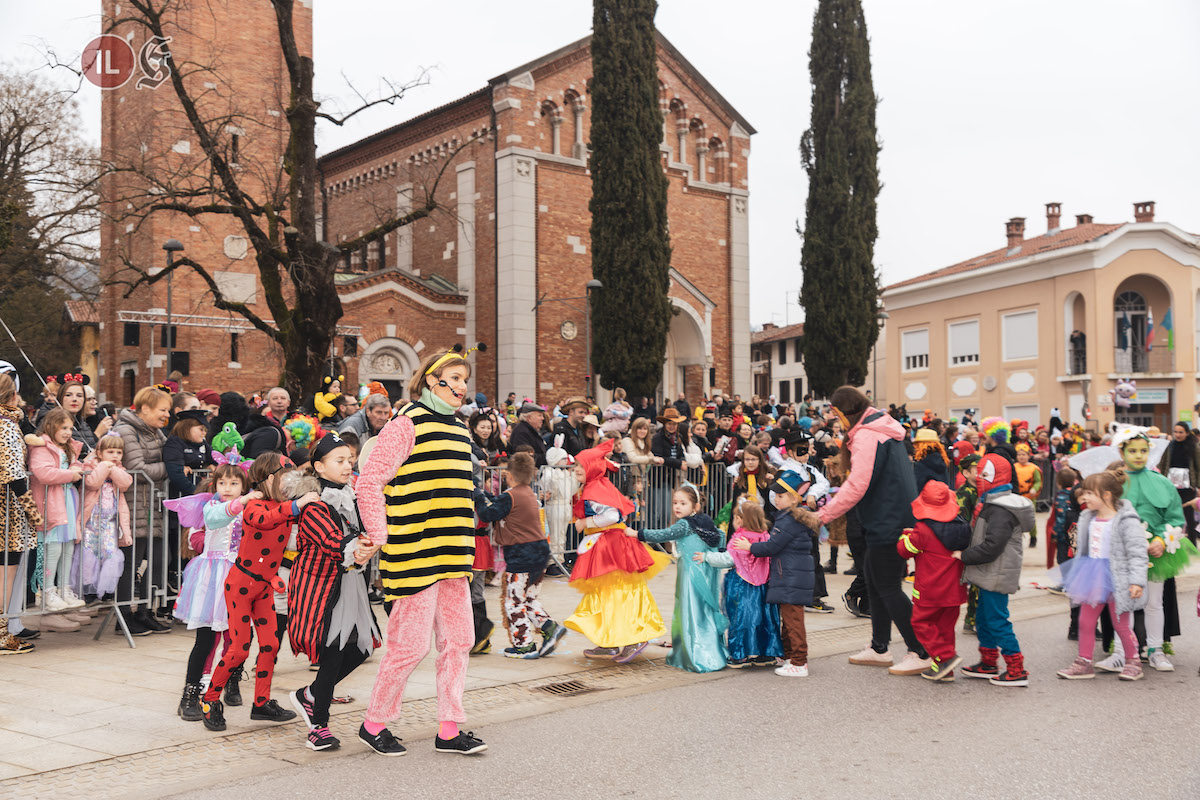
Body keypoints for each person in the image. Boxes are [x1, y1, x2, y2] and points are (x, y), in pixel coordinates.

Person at [354, 345, 488, 757]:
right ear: (433, 379)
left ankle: (449, 729)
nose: (463, 387)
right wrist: (378, 535)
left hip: (453, 553)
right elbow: (369, 482)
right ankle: (374, 723)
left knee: (460, 639)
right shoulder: (405, 424)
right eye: (456, 378)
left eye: (466, 380)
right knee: (410, 646)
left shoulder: (460, 429)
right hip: (414, 553)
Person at [806, 387, 929, 674]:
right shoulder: (881, 428)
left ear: (842, 412)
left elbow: (857, 484)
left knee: (886, 586)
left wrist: (822, 516)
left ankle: (922, 650)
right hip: (889, 517)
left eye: (834, 414)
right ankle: (879, 647)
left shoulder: (867, 434)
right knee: (875, 582)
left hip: (888, 519)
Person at [199, 453, 311, 732]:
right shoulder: (255, 506)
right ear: (271, 478)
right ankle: (210, 700)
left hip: (263, 588)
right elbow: (266, 520)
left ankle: (261, 703)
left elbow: (283, 539)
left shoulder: (283, 506)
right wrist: (297, 505)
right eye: (286, 477)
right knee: (238, 650)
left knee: (271, 645)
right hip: (239, 587)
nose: (290, 483)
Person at [287, 433, 381, 752]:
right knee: (333, 651)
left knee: (364, 646)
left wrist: (369, 539)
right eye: (339, 461)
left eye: (350, 460)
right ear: (319, 466)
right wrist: (359, 546)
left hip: (350, 582)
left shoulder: (350, 495)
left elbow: (365, 530)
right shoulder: (314, 503)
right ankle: (318, 725)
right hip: (323, 587)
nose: (347, 466)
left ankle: (312, 694)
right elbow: (332, 542)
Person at [564, 440, 670, 664]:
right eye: (576, 467)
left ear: (592, 468)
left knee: (619, 593)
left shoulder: (595, 488)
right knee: (606, 593)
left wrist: (585, 521)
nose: (576, 471)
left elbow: (613, 516)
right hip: (607, 543)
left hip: (612, 546)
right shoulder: (595, 485)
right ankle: (609, 641)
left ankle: (635, 637)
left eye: (581, 467)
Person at [171, 463, 256, 721]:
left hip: (239, 577)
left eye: (234, 484)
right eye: (222, 483)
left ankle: (231, 680)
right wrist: (244, 502)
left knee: (239, 637)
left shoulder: (250, 509)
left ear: (244, 486)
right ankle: (191, 692)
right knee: (206, 639)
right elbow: (214, 519)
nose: (227, 489)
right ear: (214, 484)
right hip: (211, 578)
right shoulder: (211, 507)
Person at [1056, 471, 1147, 681]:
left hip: (1118, 577)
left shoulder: (1127, 520)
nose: (1083, 497)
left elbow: (1137, 552)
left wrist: (1136, 581)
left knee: (1121, 623)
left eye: (1089, 493)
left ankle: (1133, 661)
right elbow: (1083, 550)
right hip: (1091, 576)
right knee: (1085, 622)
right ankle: (1084, 662)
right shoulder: (1087, 517)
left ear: (1106, 495)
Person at [1117, 429, 1196, 672]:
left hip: (1155, 553)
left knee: (1154, 602)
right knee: (1124, 603)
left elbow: (1174, 517)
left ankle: (1155, 649)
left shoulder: (1162, 483)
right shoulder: (1114, 482)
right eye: (1132, 451)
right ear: (1122, 452)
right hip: (1123, 554)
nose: (1139, 456)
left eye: (1143, 450)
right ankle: (1122, 651)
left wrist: (1162, 539)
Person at [958, 453, 1035, 686]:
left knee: (997, 619)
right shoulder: (991, 503)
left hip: (997, 572)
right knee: (983, 618)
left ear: (995, 476)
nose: (979, 479)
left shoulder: (1001, 509)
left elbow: (992, 547)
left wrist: (963, 557)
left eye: (984, 474)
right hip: (989, 572)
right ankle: (988, 663)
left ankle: (1016, 668)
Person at [730, 471, 816, 677]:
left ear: (794, 498)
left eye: (781, 496)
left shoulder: (789, 520)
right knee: (789, 619)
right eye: (775, 495)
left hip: (790, 577)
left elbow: (771, 547)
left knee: (793, 621)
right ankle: (789, 657)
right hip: (792, 575)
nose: (775, 499)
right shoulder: (792, 517)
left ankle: (799, 662)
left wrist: (749, 546)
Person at [637, 483, 728, 673]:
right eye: (675, 503)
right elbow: (720, 536)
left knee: (690, 611)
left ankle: (694, 654)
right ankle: (712, 650)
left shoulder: (685, 524)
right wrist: (715, 552)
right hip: (705, 573)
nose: (677, 507)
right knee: (703, 611)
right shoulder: (705, 521)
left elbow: (663, 534)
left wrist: (638, 534)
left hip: (690, 575)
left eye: (683, 503)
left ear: (695, 506)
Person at [493, 452, 567, 659]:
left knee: (514, 602)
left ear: (509, 475)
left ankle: (524, 644)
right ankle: (550, 628)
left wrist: (479, 495)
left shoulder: (511, 495)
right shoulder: (529, 493)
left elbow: (490, 513)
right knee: (528, 598)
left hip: (521, 556)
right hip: (540, 553)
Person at [111, 386, 173, 634]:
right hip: (133, 505)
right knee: (130, 564)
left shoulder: (156, 432)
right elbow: (137, 468)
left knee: (158, 561)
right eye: (163, 409)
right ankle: (124, 616)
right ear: (145, 408)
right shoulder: (126, 431)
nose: (166, 414)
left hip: (153, 505)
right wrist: (170, 467)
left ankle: (146, 612)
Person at [898, 482, 971, 681]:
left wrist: (906, 535)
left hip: (930, 589)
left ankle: (945, 658)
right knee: (946, 628)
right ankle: (943, 668)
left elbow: (904, 550)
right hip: (954, 589)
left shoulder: (922, 529)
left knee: (921, 622)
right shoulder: (962, 526)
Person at [695, 502, 782, 667]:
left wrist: (706, 557)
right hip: (763, 587)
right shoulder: (764, 537)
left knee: (740, 619)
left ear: (740, 520)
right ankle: (765, 654)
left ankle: (739, 655)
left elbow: (728, 559)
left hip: (741, 586)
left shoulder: (740, 539)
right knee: (763, 620)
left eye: (735, 517)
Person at [29, 409, 86, 612]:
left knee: (68, 547)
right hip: (51, 503)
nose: (68, 432)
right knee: (52, 548)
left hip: (67, 501)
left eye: (70, 428)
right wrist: (70, 474)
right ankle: (46, 591)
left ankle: (64, 588)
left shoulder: (67, 448)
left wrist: (78, 467)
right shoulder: (42, 447)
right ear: (51, 426)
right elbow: (43, 472)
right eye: (63, 428)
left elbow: (72, 465)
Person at [0, 373, 41, 652]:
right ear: (12, 397)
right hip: (7, 515)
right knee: (5, 575)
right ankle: (3, 634)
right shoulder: (6, 426)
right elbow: (15, 476)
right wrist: (35, 515)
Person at [76, 435, 131, 602]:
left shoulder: (118, 468)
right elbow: (92, 483)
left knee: (109, 552)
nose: (115, 456)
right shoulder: (90, 466)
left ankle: (105, 589)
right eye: (110, 452)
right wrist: (103, 467)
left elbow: (126, 483)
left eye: (119, 452)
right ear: (99, 453)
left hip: (110, 520)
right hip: (91, 520)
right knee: (89, 552)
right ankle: (89, 591)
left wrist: (112, 469)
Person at [1157, 422, 1200, 545]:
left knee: (1189, 514)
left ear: (1187, 433)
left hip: (1187, 486)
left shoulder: (1194, 447)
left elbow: (1198, 466)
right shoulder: (1170, 445)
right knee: (1171, 512)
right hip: (1171, 484)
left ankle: (1192, 543)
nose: (1178, 434)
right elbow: (1163, 463)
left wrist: (1198, 486)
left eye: (1181, 432)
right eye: (1175, 432)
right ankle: (1173, 542)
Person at [1013, 444, 1042, 548]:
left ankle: (1033, 537)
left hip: (1029, 497)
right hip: (1017, 497)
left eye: (1024, 454)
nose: (1021, 457)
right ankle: (1017, 537)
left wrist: (1034, 488)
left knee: (1031, 518)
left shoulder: (1034, 468)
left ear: (1028, 456)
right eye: (1019, 454)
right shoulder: (1014, 467)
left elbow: (1038, 481)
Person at [507, 402, 548, 467]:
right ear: (529, 418)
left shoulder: (531, 430)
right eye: (539, 415)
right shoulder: (521, 432)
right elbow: (525, 457)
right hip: (525, 473)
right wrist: (546, 457)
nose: (542, 418)